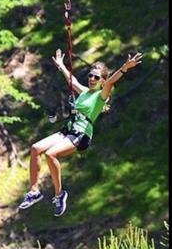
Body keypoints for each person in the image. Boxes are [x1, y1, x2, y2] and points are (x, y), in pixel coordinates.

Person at [19, 49, 143, 216]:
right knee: (35, 148)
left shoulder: (101, 95)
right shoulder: (84, 92)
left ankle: (59, 195)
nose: (92, 79)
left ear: (102, 81)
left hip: (81, 133)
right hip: (68, 130)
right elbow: (73, 80)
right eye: (91, 75)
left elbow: (111, 82)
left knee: (50, 154)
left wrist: (125, 67)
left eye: (96, 77)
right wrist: (61, 65)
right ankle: (34, 191)